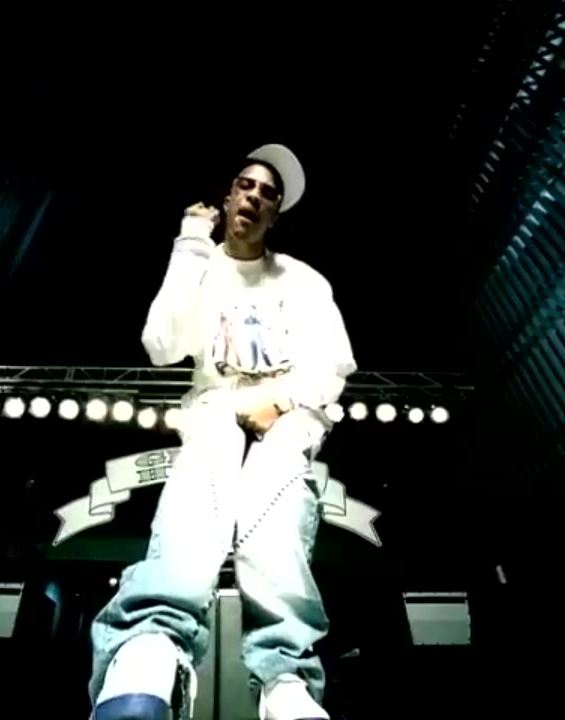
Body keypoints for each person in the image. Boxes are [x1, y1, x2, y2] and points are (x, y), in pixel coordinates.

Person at [89, 145, 356, 720]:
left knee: (278, 520)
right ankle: (148, 650)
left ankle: (285, 679)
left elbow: (332, 365)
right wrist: (189, 244)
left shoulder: (303, 280)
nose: (255, 197)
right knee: (194, 506)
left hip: (288, 410)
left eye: (268, 193)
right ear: (229, 196)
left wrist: (278, 401)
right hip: (215, 404)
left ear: (275, 213)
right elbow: (162, 344)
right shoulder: (202, 266)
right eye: (246, 185)